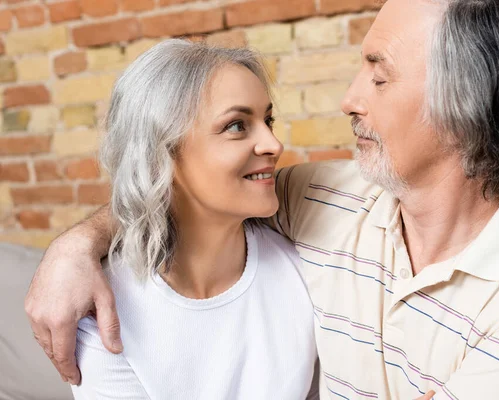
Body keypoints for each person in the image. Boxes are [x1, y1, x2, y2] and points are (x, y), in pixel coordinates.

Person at [26, 0, 499, 399]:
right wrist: (75, 246)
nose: (350, 99)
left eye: (379, 77)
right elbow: (185, 196)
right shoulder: (323, 199)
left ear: (468, 105)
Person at [55, 39, 319, 399]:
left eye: (267, 119)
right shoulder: (103, 310)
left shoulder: (306, 270)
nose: (273, 143)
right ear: (162, 152)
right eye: (237, 125)